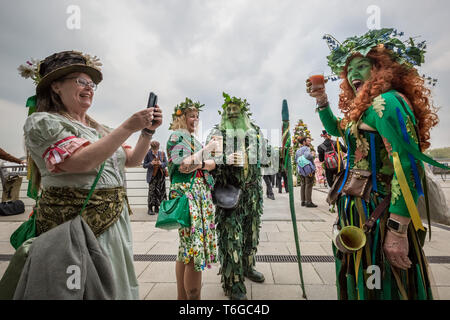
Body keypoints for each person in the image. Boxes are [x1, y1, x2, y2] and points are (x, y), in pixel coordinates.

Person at [307, 29, 441, 299]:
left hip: (380, 215)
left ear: (381, 69)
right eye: (349, 70)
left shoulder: (386, 102)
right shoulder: (367, 106)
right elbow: (338, 128)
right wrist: (321, 100)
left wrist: (397, 230)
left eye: (362, 66)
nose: (353, 74)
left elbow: (407, 165)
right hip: (360, 210)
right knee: (365, 283)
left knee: (383, 287)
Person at [19, 50, 163, 299]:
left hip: (113, 226)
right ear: (55, 86)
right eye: (81, 81)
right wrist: (128, 126)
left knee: (113, 285)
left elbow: (132, 159)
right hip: (75, 228)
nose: (89, 88)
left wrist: (146, 132)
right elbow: (79, 162)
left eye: (91, 83)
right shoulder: (43, 122)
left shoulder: (98, 128)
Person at [207, 93, 267, 300]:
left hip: (253, 194)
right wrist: (225, 159)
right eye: (228, 110)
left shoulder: (255, 132)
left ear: (243, 113)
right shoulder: (217, 133)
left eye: (236, 110)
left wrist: (282, 152)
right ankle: (233, 283)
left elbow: (267, 156)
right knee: (231, 238)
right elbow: (207, 161)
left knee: (251, 235)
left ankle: (248, 267)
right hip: (230, 193)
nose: (232, 113)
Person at [166, 98, 219, 300]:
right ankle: (193, 300)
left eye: (197, 116)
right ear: (181, 118)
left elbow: (210, 164)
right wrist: (206, 153)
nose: (195, 119)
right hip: (189, 195)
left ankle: (182, 298)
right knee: (194, 249)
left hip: (198, 194)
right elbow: (184, 166)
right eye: (191, 115)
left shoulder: (193, 140)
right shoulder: (176, 136)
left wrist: (201, 160)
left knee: (185, 249)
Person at [143, 140, 168, 215]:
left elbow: (166, 163)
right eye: (154, 150)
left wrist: (161, 163)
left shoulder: (162, 153)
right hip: (152, 176)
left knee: (159, 191)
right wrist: (151, 163)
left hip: (161, 176)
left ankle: (157, 207)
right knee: (151, 192)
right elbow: (144, 165)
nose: (155, 151)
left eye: (156, 150)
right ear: (151, 148)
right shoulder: (147, 154)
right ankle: (150, 208)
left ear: (158, 148)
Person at [295, 137, 317, 207]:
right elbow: (307, 156)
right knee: (309, 185)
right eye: (307, 141)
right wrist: (312, 155)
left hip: (301, 170)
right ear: (304, 142)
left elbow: (296, 160)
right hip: (308, 170)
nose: (309, 142)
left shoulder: (297, 150)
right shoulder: (306, 148)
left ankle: (303, 201)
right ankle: (309, 202)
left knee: (303, 184)